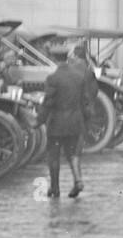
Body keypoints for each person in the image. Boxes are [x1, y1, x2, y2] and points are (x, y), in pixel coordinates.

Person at [36, 43, 97, 198]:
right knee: (72, 155)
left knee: (53, 157)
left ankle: (55, 189)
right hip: (75, 123)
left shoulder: (53, 78)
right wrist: (86, 121)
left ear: (55, 59)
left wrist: (39, 120)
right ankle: (77, 181)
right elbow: (85, 102)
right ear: (67, 57)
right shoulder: (78, 77)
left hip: (57, 124)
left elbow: (48, 102)